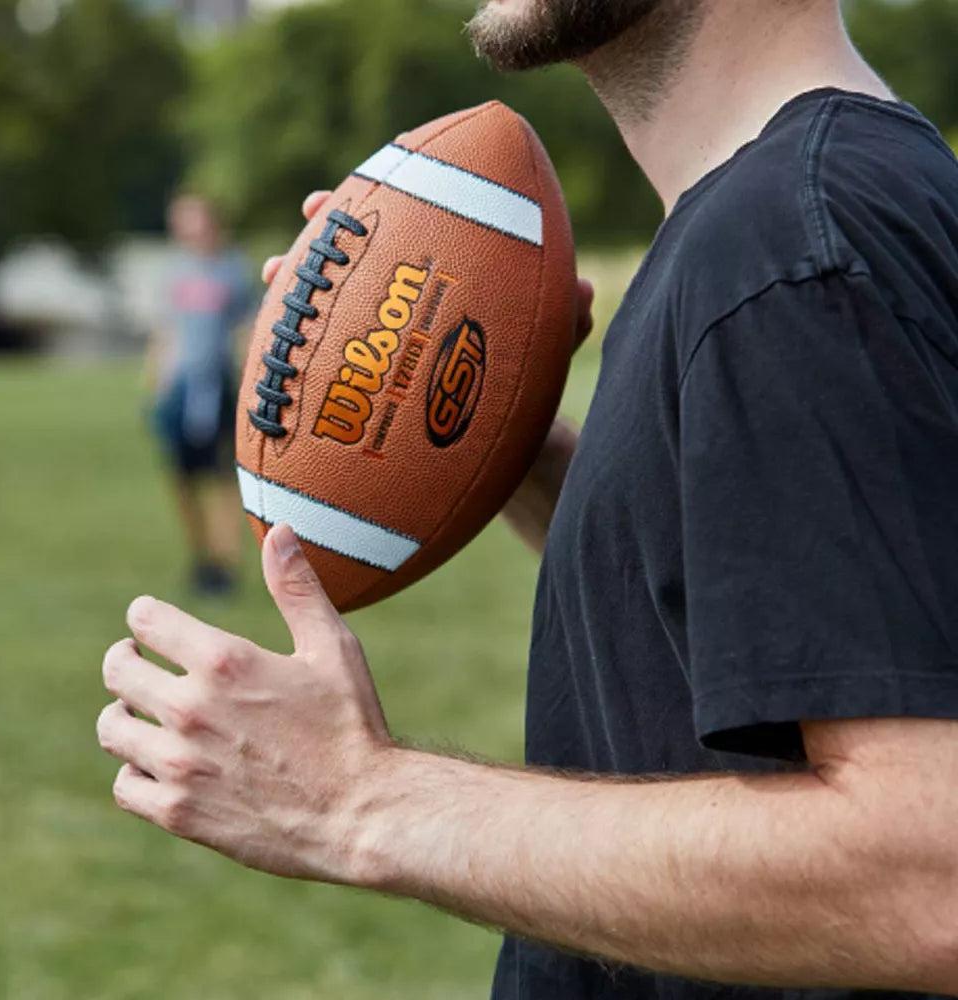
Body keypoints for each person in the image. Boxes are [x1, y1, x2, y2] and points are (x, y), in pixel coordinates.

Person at [98, 1, 958, 996]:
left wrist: (359, 801)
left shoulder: (784, 251)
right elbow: (780, 633)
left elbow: (924, 872)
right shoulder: (831, 200)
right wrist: (503, 445)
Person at [148, 193, 252, 596]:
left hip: (218, 387)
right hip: (180, 387)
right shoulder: (174, 272)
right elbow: (165, 330)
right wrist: (157, 382)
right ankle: (200, 556)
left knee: (222, 475)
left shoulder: (231, 270)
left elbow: (244, 329)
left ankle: (227, 561)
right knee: (182, 476)